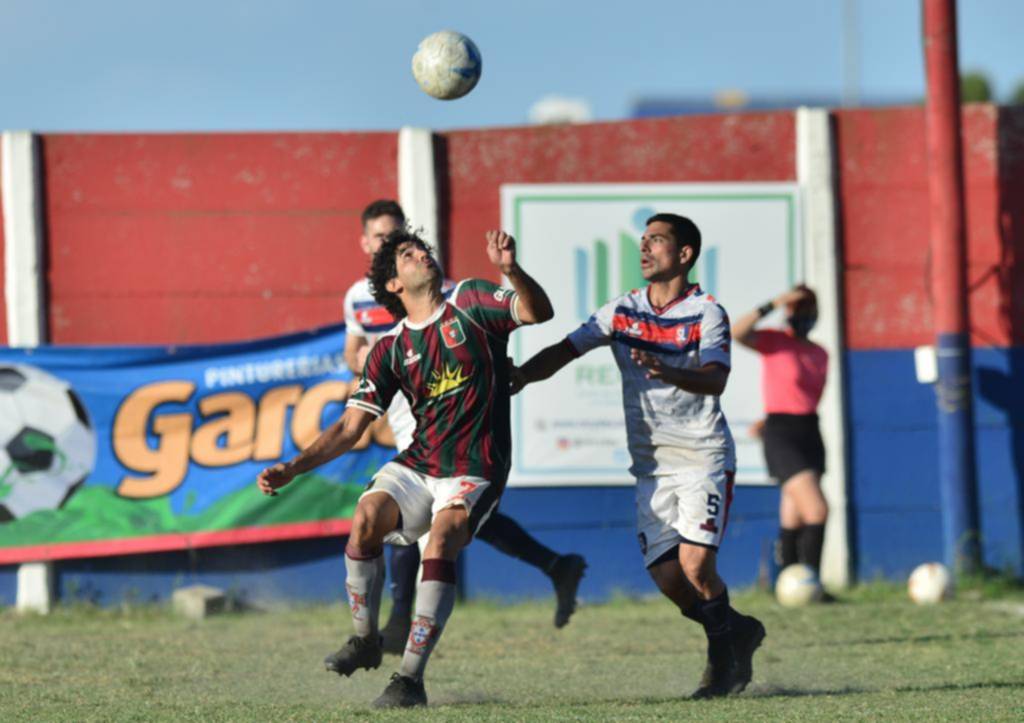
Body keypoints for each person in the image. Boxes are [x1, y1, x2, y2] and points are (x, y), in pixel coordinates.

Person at [258, 226, 553, 708]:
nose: (422, 255)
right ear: (393, 285)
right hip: (421, 462)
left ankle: (410, 680)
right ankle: (365, 639)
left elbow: (539, 312)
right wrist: (293, 468)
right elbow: (350, 428)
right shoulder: (389, 349)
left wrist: (511, 271)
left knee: (440, 541)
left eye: (423, 249)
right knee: (366, 517)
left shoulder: (474, 301)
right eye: (408, 254)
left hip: (476, 466)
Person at [511, 213, 765, 698]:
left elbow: (716, 379)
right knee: (669, 578)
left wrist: (668, 371)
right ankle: (738, 630)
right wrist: (521, 376)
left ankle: (721, 666)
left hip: (702, 457)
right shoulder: (620, 311)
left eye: (657, 241)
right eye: (643, 241)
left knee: (695, 566)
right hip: (652, 465)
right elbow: (566, 350)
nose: (645, 249)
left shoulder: (708, 312)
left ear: (685, 254)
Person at [343, 201, 586, 651]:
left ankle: (398, 625)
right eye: (382, 238)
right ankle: (554, 564)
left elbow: (479, 330)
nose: (394, 243)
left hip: (437, 416)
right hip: (397, 408)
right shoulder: (358, 295)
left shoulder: (447, 291)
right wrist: (362, 362)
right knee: (435, 513)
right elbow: (354, 349)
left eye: (398, 234)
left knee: (430, 516)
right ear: (367, 244)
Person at [732, 286, 830, 583]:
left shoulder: (820, 353)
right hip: (782, 434)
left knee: (794, 514)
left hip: (809, 429)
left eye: (807, 309)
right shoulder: (774, 342)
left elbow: (803, 395)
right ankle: (811, 581)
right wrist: (774, 302)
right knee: (817, 510)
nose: (801, 315)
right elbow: (737, 331)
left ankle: (788, 581)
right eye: (796, 309)